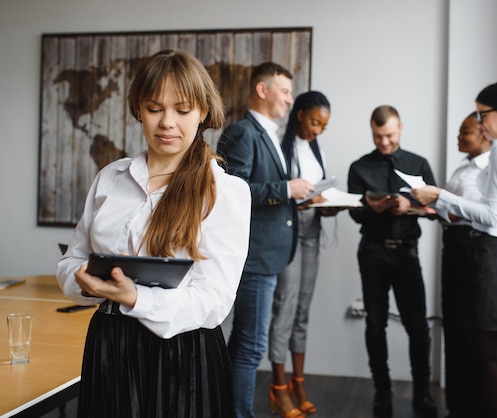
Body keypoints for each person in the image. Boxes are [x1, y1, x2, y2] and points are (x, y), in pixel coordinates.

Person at [56, 49, 251, 417]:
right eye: (154, 108)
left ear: (203, 112)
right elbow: (72, 261)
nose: (167, 123)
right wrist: (86, 283)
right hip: (108, 345)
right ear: (138, 111)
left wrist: (136, 298)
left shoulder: (225, 191)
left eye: (182, 109)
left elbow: (214, 301)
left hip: (182, 356)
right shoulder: (110, 178)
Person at [413, 80, 497, 418]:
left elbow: (491, 215)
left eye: (482, 114)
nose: (480, 121)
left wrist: (439, 195)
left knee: (489, 357)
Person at [217, 62, 315, 418]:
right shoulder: (243, 132)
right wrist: (287, 189)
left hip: (270, 254)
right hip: (255, 256)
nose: (290, 100)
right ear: (263, 90)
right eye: (285, 91)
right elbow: (233, 191)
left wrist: (294, 194)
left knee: (245, 342)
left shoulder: (270, 133)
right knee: (249, 346)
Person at [347, 105, 438, 418]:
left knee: (419, 328)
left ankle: (423, 395)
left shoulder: (419, 163)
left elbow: (433, 208)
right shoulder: (359, 166)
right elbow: (354, 209)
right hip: (372, 252)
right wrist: (377, 207)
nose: (383, 141)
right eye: (377, 135)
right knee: (375, 325)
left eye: (388, 135)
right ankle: (382, 394)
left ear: (400, 129)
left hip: (406, 253)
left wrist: (408, 205)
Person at [267, 91, 339, 417]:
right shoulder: (280, 151)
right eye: (314, 122)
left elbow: (318, 187)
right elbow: (275, 195)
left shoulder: (314, 149)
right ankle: (278, 387)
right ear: (299, 115)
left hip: (312, 232)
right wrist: (300, 201)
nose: (317, 131)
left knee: (303, 312)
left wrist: (329, 205)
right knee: (285, 308)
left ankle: (298, 382)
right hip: (289, 233)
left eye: (323, 126)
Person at [435, 112, 491, 418]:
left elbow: (479, 212)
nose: (459, 138)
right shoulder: (462, 167)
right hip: (453, 247)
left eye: (465, 132)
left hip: (471, 248)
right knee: (452, 326)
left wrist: (443, 204)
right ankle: (456, 406)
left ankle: (472, 406)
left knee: (470, 331)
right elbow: (448, 210)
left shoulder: (489, 168)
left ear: (484, 133)